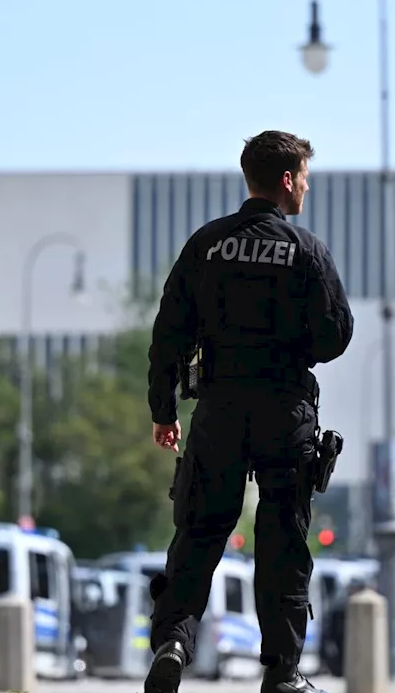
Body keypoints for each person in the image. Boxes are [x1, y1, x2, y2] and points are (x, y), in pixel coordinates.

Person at [143, 130, 355, 693]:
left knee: (200, 530)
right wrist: (292, 352)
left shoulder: (206, 245)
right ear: (287, 180)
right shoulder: (306, 250)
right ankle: (282, 672)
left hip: (218, 408)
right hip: (284, 409)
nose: (307, 186)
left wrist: (164, 410)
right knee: (283, 534)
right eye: (305, 176)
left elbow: (169, 332)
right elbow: (337, 333)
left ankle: (174, 641)